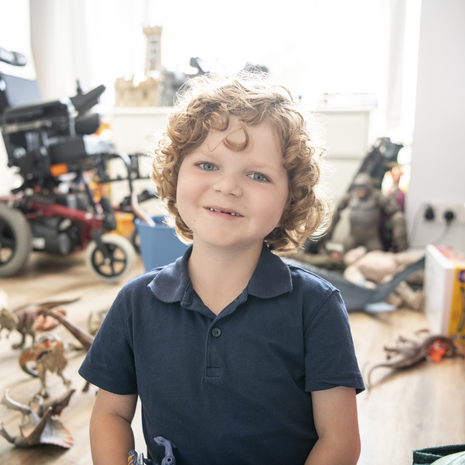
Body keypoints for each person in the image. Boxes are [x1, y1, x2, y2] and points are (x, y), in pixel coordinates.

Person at [79, 72, 365, 465]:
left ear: (290, 199)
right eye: (208, 165)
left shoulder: (315, 308)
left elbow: (339, 442)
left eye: (258, 174)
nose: (229, 186)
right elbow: (110, 414)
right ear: (175, 174)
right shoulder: (134, 304)